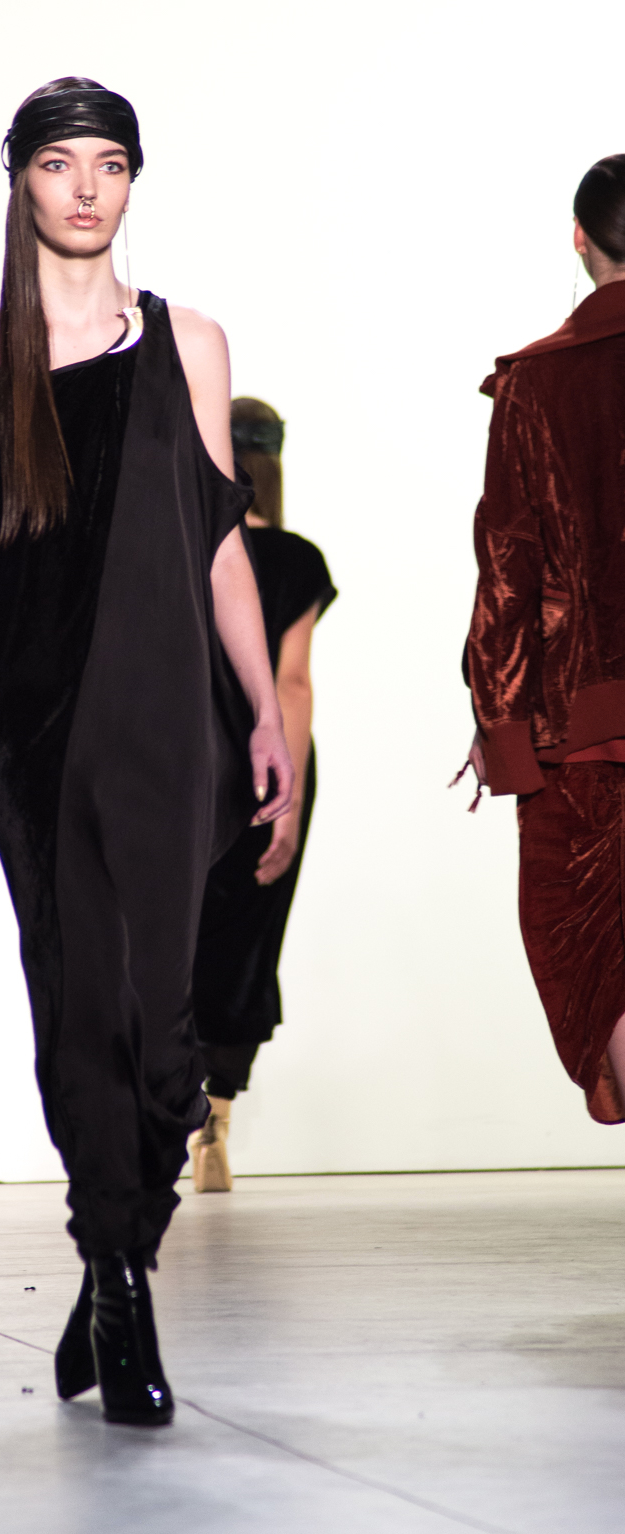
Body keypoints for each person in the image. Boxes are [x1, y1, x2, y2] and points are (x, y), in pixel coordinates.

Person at [0, 78, 293, 1426]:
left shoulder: (191, 342)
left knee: (168, 1019)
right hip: (32, 732)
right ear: (19, 178)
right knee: (82, 1002)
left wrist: (266, 707)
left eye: (111, 164)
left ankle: (108, 1252)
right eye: (60, 163)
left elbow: (218, 542)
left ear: (133, 181)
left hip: (169, 719)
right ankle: (124, 1287)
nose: (86, 188)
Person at [465, 153, 625, 1128]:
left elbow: (508, 570)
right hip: (584, 728)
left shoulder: (537, 382)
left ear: (579, 241)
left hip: (582, 729)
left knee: (601, 961)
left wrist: (503, 730)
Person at [189, 400, 336, 1191]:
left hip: (188, 769)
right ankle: (214, 1122)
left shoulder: (189, 548)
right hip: (267, 770)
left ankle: (167, 1106)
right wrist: (292, 801)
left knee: (172, 941)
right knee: (245, 951)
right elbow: (292, 683)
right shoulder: (295, 561)